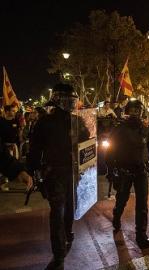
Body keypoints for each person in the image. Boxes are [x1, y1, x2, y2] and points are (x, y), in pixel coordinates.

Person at [28, 83, 90, 270]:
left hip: (73, 172)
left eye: (73, 101)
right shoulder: (44, 122)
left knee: (71, 207)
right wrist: (34, 171)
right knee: (57, 212)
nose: (70, 104)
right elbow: (35, 150)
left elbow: (87, 143)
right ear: (57, 100)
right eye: (67, 101)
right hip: (54, 173)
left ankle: (68, 232)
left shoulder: (77, 121)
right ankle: (58, 253)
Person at [105, 99, 149, 249]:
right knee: (122, 199)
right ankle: (116, 216)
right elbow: (110, 151)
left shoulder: (146, 129)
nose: (135, 113)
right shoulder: (119, 129)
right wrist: (111, 170)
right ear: (128, 111)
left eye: (138, 110)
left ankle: (141, 235)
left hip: (141, 171)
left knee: (142, 205)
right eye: (133, 110)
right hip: (124, 171)